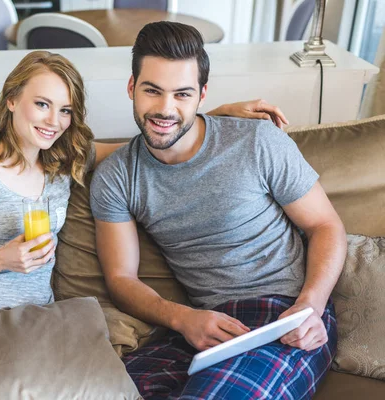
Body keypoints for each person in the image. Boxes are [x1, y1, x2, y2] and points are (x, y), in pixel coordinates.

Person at [0, 49, 289, 400]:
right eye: (42, 104)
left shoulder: (64, 163)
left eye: (65, 110)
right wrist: (0, 258)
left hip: (32, 318)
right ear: (12, 99)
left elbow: (148, 142)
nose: (53, 122)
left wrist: (219, 114)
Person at [90, 22, 347, 400]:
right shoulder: (116, 177)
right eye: (152, 91)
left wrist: (311, 304)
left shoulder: (258, 141)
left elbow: (326, 225)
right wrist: (182, 318)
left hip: (284, 316)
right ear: (132, 88)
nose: (166, 108)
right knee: (96, 391)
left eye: (182, 94)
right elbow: (121, 278)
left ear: (201, 95)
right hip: (202, 325)